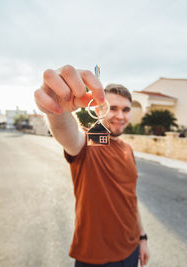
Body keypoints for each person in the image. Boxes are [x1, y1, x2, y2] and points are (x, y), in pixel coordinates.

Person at [34, 65, 150, 266]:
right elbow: (69, 134)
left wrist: (142, 238)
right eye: (113, 108)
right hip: (95, 257)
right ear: (100, 109)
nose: (120, 116)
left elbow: (131, 198)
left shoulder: (127, 148)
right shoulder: (95, 139)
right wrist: (57, 109)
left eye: (126, 110)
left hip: (131, 251)